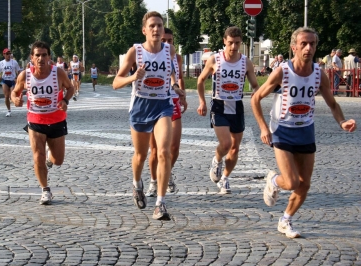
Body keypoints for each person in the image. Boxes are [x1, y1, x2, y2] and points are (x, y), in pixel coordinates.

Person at [251, 27, 357, 238]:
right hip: (282, 129)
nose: (309, 48)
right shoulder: (282, 71)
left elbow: (332, 103)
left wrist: (342, 121)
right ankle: (273, 180)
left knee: (304, 184)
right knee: (290, 182)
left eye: (312, 44)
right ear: (294, 47)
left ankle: (285, 220)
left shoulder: (319, 74)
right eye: (304, 44)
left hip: (306, 130)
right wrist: (263, 127)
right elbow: (255, 99)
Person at [112, 11, 185, 220]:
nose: (156, 29)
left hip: (163, 104)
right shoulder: (135, 52)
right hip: (141, 106)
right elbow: (116, 82)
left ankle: (160, 203)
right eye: (152, 26)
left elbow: (171, 71)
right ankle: (137, 184)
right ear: (144, 30)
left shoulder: (169, 49)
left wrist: (175, 86)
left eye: (159, 26)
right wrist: (134, 76)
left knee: (163, 152)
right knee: (141, 156)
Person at [197, 26, 259, 194]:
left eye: (237, 43)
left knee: (235, 148)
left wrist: (255, 91)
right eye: (230, 43)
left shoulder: (245, 62)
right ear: (224, 41)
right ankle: (217, 160)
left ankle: (225, 178)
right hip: (219, 105)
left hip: (237, 106)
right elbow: (201, 80)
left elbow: (254, 84)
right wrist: (202, 102)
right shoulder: (214, 60)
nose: (233, 47)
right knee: (226, 144)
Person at [11, 41, 74, 205]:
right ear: (32, 58)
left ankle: (49, 159)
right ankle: (45, 190)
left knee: (58, 160)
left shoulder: (58, 73)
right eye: (37, 55)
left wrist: (66, 100)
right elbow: (15, 92)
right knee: (37, 157)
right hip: (35, 120)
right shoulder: (25, 75)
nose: (40, 58)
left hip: (56, 120)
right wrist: (15, 99)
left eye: (44, 55)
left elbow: (70, 87)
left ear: (49, 57)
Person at [146, 27, 188, 197]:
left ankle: (167, 172)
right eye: (164, 40)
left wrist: (182, 95)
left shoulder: (177, 58)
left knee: (174, 147)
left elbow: (178, 78)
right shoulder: (149, 55)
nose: (167, 44)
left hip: (173, 101)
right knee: (155, 150)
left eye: (170, 41)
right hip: (154, 102)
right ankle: (154, 181)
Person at [0, 48, 21, 117]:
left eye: (9, 53)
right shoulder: (1, 63)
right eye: (7, 54)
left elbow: (18, 71)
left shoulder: (14, 62)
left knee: (11, 96)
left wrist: (17, 78)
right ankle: (9, 110)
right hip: (5, 80)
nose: (8, 55)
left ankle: (15, 100)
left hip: (12, 80)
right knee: (6, 96)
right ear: (4, 55)